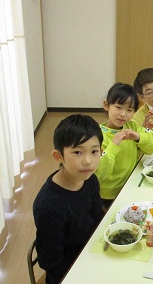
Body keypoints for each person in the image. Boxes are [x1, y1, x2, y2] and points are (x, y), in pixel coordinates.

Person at [33, 114, 105, 284]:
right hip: (69, 272)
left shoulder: (89, 179)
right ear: (58, 156)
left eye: (94, 151)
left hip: (91, 252)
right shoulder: (50, 205)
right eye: (78, 152)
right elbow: (50, 262)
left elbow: (98, 219)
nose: (88, 161)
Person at [96, 83, 153, 208]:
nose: (123, 114)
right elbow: (100, 170)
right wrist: (113, 146)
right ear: (106, 105)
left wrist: (138, 136)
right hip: (106, 193)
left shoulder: (132, 127)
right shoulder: (97, 135)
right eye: (118, 107)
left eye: (129, 110)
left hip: (131, 185)